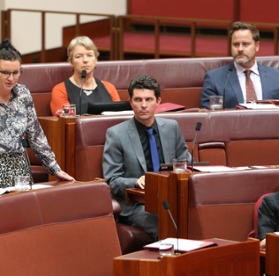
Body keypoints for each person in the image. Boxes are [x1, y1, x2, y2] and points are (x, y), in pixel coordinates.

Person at [0, 39, 75, 192]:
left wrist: (54, 168)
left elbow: (35, 134)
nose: (11, 78)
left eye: (16, 73)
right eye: (5, 72)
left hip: (19, 169)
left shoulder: (23, 94)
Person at [102, 75, 192, 241]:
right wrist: (135, 181)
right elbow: (112, 180)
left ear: (158, 101)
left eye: (149, 99)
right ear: (130, 102)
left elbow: (186, 162)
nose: (143, 105)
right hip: (137, 206)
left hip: (172, 198)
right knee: (166, 224)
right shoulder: (116, 134)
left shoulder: (172, 128)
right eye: (138, 99)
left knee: (196, 220)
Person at [200, 21, 279, 109]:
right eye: (236, 44)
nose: (240, 49)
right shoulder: (215, 78)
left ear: (257, 46)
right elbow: (208, 116)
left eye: (245, 44)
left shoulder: (276, 76)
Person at [50, 36, 120, 116]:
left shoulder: (109, 88)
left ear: (96, 59)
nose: (85, 60)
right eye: (79, 56)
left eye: (89, 55)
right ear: (71, 61)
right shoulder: (60, 90)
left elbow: (118, 119)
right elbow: (66, 123)